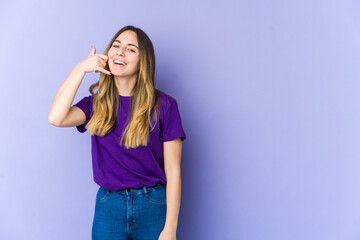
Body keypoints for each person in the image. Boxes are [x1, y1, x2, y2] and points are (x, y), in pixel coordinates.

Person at [48, 25, 186, 240]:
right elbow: (56, 118)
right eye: (116, 46)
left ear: (143, 61)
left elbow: (174, 171)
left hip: (152, 204)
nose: (120, 52)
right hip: (109, 206)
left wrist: (170, 228)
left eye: (131, 49)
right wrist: (80, 69)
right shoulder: (95, 105)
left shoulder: (165, 105)